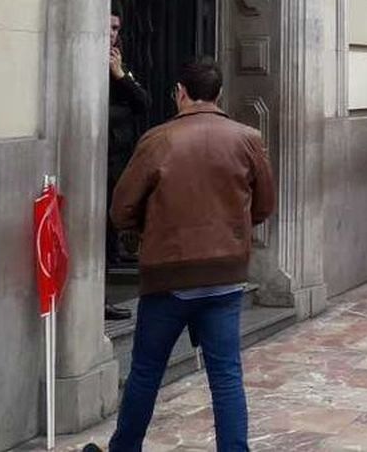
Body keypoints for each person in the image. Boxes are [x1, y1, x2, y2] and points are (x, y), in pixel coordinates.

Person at [103, 59, 274, 452]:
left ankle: (124, 448)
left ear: (180, 91)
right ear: (218, 95)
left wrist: (149, 227)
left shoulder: (159, 139)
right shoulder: (247, 137)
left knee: (146, 372)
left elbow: (121, 209)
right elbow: (264, 204)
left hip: (169, 275)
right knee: (227, 375)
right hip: (225, 275)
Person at [107, 8, 151, 321]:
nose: (112, 33)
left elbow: (142, 103)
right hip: (95, 160)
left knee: (109, 230)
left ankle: (103, 298)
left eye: (116, 27)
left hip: (116, 162)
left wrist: (120, 75)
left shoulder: (117, 65)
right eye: (108, 26)